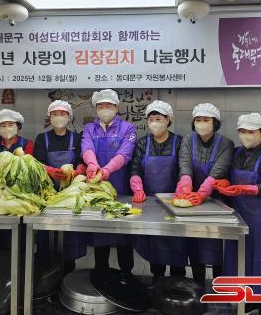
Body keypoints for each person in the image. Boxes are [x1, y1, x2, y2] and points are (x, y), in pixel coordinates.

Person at [214, 113, 261, 315]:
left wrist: (244, 189)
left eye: (251, 132)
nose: (246, 136)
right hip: (238, 216)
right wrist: (224, 183)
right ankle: (246, 302)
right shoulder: (235, 153)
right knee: (238, 260)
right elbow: (227, 177)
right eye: (242, 131)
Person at [176, 103, 234, 285]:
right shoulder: (187, 140)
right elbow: (185, 164)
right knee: (195, 243)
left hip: (217, 202)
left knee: (216, 244)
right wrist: (185, 186)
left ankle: (219, 285)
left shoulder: (226, 143)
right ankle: (198, 284)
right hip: (192, 202)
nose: (201, 123)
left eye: (206, 120)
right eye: (198, 120)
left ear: (215, 123)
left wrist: (202, 193)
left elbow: (218, 170)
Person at [129, 100, 187, 282]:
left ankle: (178, 281)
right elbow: (135, 168)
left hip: (175, 203)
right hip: (150, 204)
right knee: (155, 246)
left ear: (168, 120)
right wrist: (137, 188)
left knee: (176, 244)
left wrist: (181, 190)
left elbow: (184, 169)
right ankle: (158, 281)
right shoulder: (142, 143)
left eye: (159, 119)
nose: (154, 123)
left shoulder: (179, 142)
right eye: (151, 119)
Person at [81, 89, 137, 274]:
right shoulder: (90, 128)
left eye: (109, 105)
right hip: (98, 189)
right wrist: (92, 164)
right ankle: (101, 272)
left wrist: (107, 170)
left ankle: (126, 274)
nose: (105, 109)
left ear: (117, 108)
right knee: (100, 232)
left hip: (121, 188)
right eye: (100, 106)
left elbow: (124, 154)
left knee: (123, 234)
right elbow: (87, 148)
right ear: (96, 109)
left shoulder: (128, 128)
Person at [33, 100, 87, 273]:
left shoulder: (76, 138)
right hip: (47, 194)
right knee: (46, 233)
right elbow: (36, 164)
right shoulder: (42, 138)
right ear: (50, 117)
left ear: (69, 117)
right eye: (55, 114)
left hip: (70, 195)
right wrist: (50, 171)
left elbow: (81, 160)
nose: (59, 117)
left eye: (62, 114)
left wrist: (80, 169)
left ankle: (69, 269)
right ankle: (46, 269)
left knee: (69, 234)